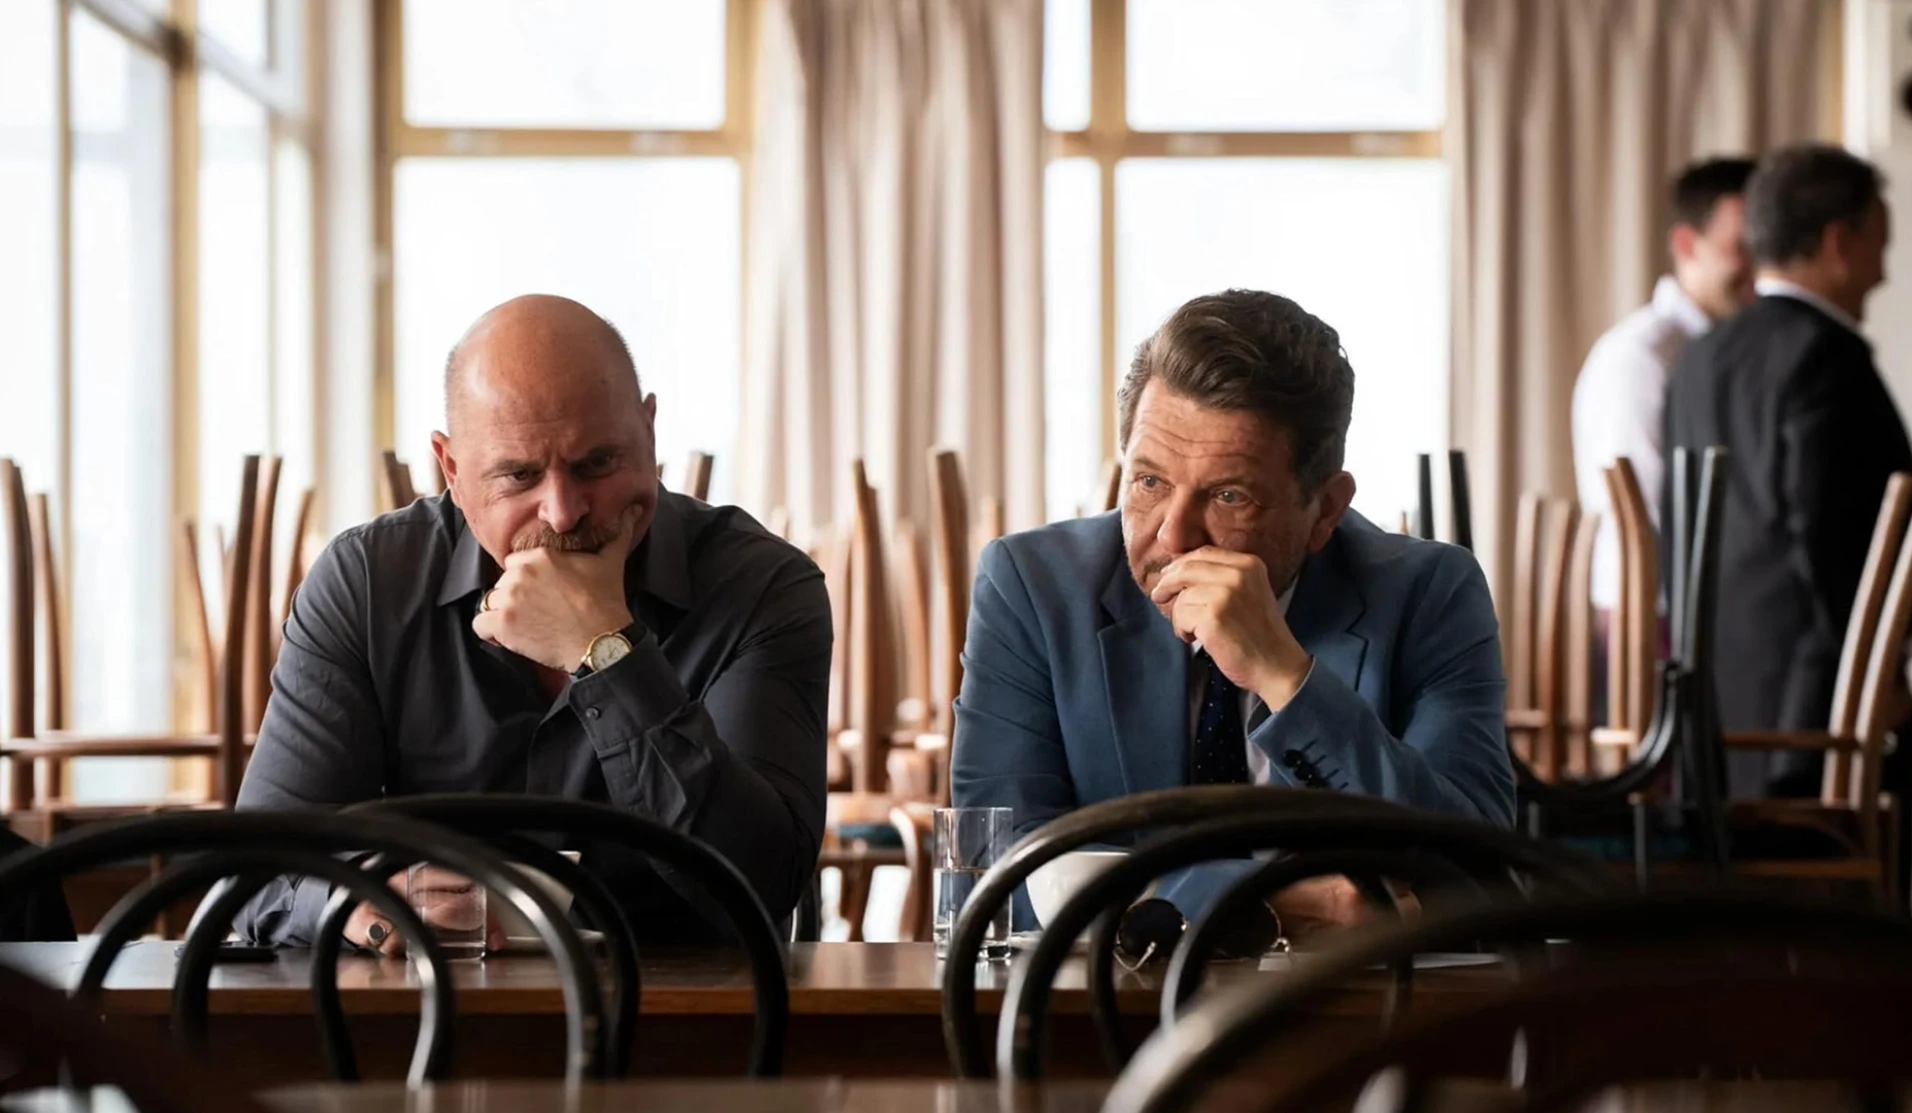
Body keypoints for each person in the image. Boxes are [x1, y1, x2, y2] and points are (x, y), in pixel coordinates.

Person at [234, 294, 831, 950]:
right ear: (452, 469)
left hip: (685, 1009)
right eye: (518, 475)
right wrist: (365, 906)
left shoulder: (761, 587)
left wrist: (607, 650)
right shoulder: (370, 584)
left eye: (597, 463)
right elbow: (258, 868)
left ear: (649, 432)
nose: (564, 512)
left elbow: (762, 882)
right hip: (429, 1006)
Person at [949, 290, 1513, 934]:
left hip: (1352, 998)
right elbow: (995, 878)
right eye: (1149, 482)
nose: (1173, 536)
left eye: (1229, 495)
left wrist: (1284, 674)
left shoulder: (1430, 593)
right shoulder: (1032, 586)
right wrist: (1276, 902)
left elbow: (1475, 873)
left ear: (1325, 509)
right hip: (1110, 996)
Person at [1664, 145, 1912, 890]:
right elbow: (1836, 548)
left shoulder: (1700, 358)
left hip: (1710, 714)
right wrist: (1880, 679)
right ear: (1839, 242)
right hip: (1810, 730)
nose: (1883, 273)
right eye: (1878, 246)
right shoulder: (1829, 361)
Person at [1572, 157, 1755, 625]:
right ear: (1686, 244)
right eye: (1740, 247)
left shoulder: (1735, 350)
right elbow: (1644, 513)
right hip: (1648, 618)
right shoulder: (1642, 356)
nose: (1757, 269)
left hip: (1702, 612)